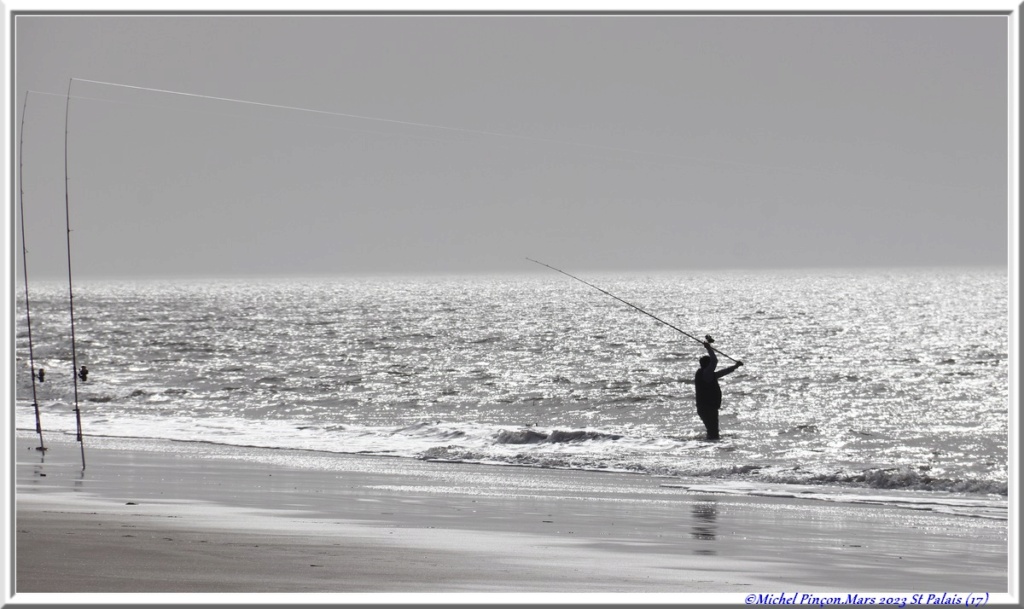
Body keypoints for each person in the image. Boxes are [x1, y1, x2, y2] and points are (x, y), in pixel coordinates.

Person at [693, 341, 742, 440]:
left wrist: (735, 367)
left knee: (713, 432)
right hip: (707, 408)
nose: (713, 366)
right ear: (707, 365)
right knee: (714, 433)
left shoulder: (707, 375)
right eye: (710, 364)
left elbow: (723, 372)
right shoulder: (706, 373)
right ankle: (709, 448)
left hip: (707, 408)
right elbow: (715, 361)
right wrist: (708, 348)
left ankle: (707, 445)